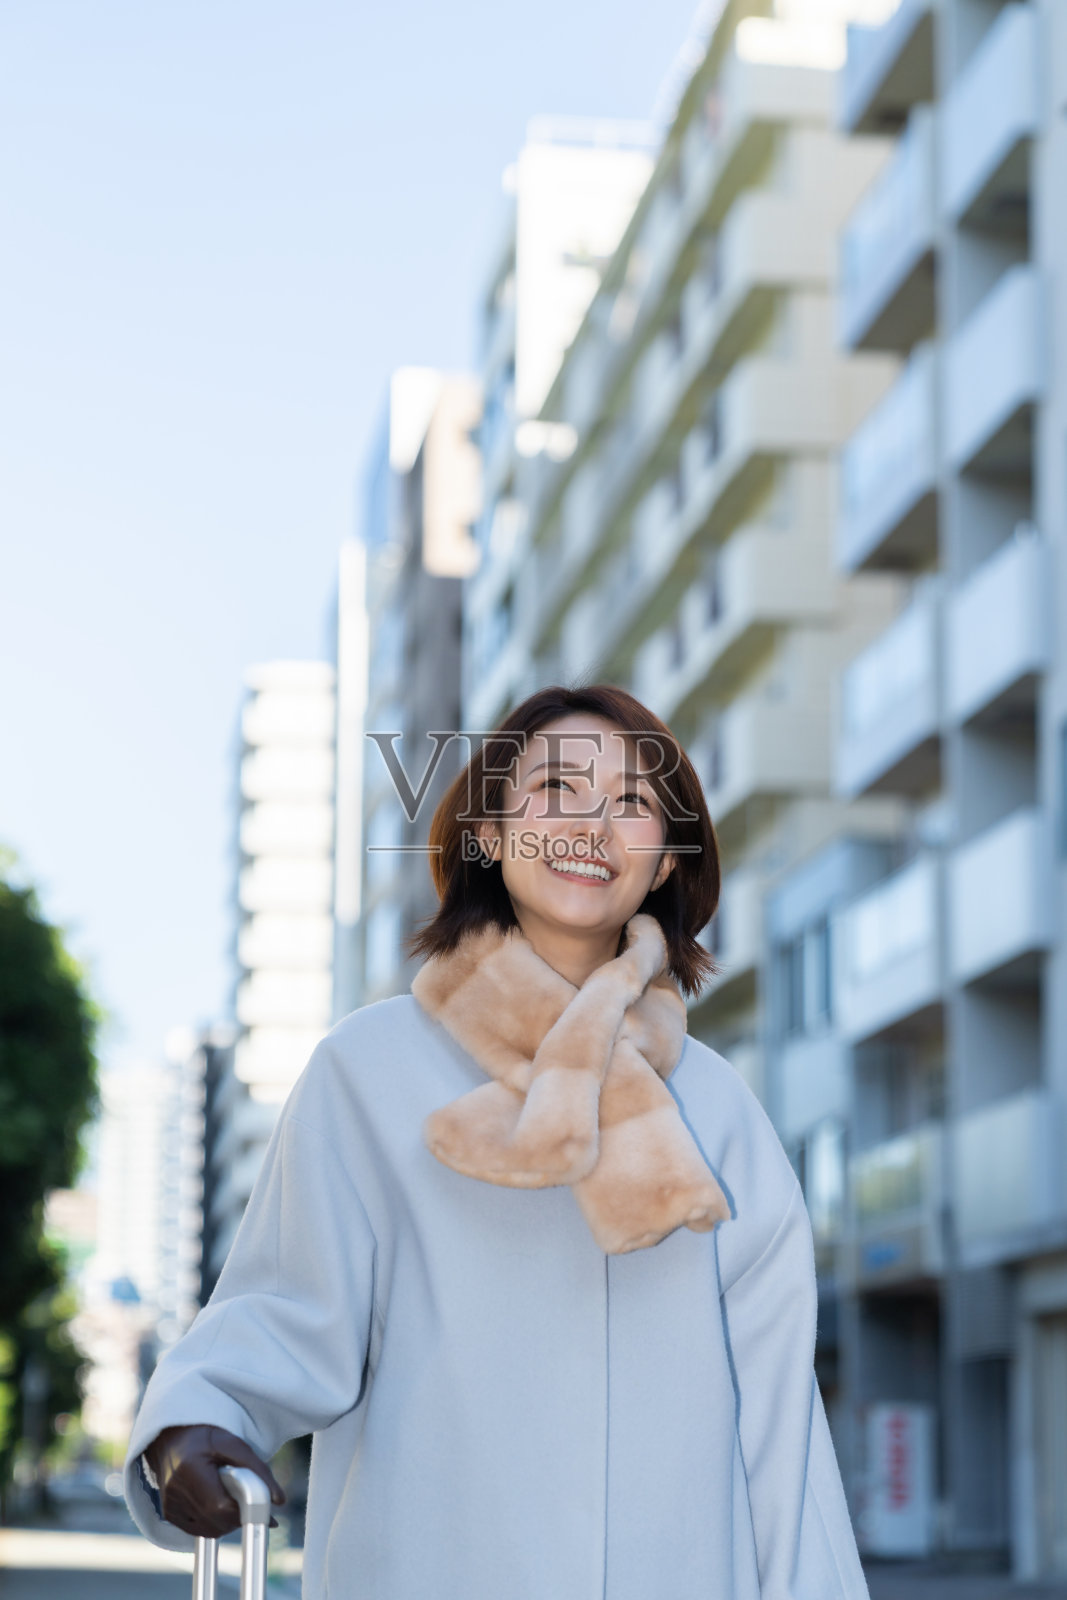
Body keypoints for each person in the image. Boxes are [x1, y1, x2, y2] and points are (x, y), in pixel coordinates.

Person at [124, 683, 870, 1600]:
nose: (590, 826)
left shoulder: (717, 1111)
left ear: (667, 864)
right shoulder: (369, 1070)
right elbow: (283, 1311)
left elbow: (783, 1436)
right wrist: (192, 1423)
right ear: (485, 831)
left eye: (634, 805)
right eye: (556, 788)